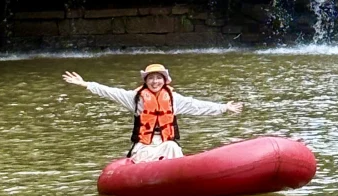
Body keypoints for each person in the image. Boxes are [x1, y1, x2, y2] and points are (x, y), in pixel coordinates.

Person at [62, 63, 243, 163]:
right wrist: (86, 84)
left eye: (158, 78)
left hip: (165, 143)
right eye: (151, 78)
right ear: (146, 81)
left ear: (164, 81)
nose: (155, 82)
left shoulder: (173, 99)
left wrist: (224, 107)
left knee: (172, 147)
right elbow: (111, 92)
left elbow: (197, 106)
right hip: (144, 145)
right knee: (150, 154)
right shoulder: (136, 99)